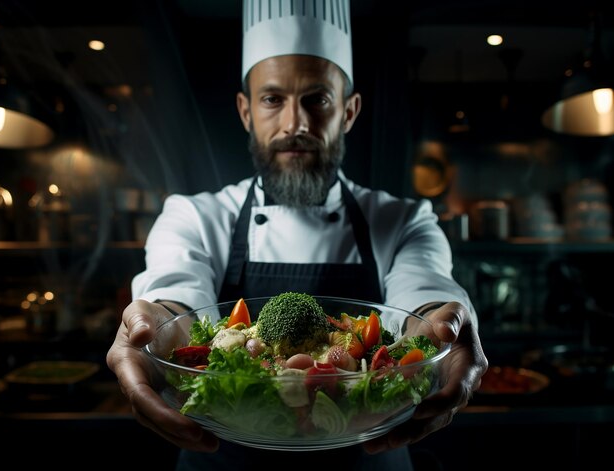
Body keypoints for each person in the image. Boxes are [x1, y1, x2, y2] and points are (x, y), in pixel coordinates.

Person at [106, 1, 488, 469]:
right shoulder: (193, 215)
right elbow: (176, 297)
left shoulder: (404, 219)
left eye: (316, 99)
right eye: (272, 100)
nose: (295, 124)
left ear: (349, 112)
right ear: (246, 111)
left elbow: (424, 296)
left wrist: (437, 330)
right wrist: (155, 327)